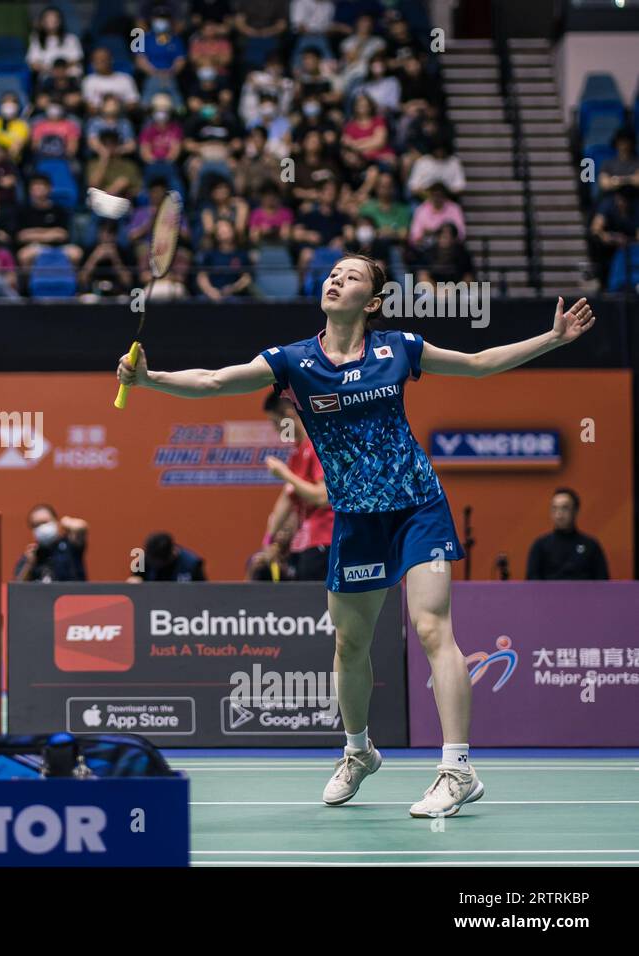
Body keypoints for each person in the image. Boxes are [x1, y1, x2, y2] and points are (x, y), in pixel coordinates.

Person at [118, 253, 595, 817]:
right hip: (357, 519)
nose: (334, 278)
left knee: (431, 625)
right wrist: (151, 379)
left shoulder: (400, 349)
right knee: (350, 645)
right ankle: (358, 751)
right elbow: (216, 380)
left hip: (418, 506)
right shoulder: (294, 360)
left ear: (372, 301)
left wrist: (553, 338)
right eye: (332, 273)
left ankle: (457, 767)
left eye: (350, 275)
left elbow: (478, 362)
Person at [261, 391, 334, 581]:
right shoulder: (297, 452)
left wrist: (285, 474)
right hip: (304, 543)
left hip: (326, 541)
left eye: (277, 423)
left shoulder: (318, 444)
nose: (277, 430)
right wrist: (269, 541)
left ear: (289, 414)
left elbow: (323, 497)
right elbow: (287, 499)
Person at [525, 488, 609, 580]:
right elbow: (532, 583)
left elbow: (603, 583)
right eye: (554, 508)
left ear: (575, 510)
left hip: (583, 594)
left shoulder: (591, 545)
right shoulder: (540, 545)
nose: (559, 514)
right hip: (549, 594)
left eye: (565, 508)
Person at [13, 504, 88, 582]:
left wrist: (65, 521)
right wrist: (29, 564)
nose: (41, 528)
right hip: (42, 593)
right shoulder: (31, 555)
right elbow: (18, 585)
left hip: (71, 592)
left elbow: (80, 527)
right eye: (36, 525)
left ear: (55, 521)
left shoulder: (70, 544)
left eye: (45, 522)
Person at [127, 532, 206, 582]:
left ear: (172, 553)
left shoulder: (192, 564)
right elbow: (134, 580)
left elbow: (202, 592)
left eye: (158, 561)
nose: (155, 564)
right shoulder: (144, 561)